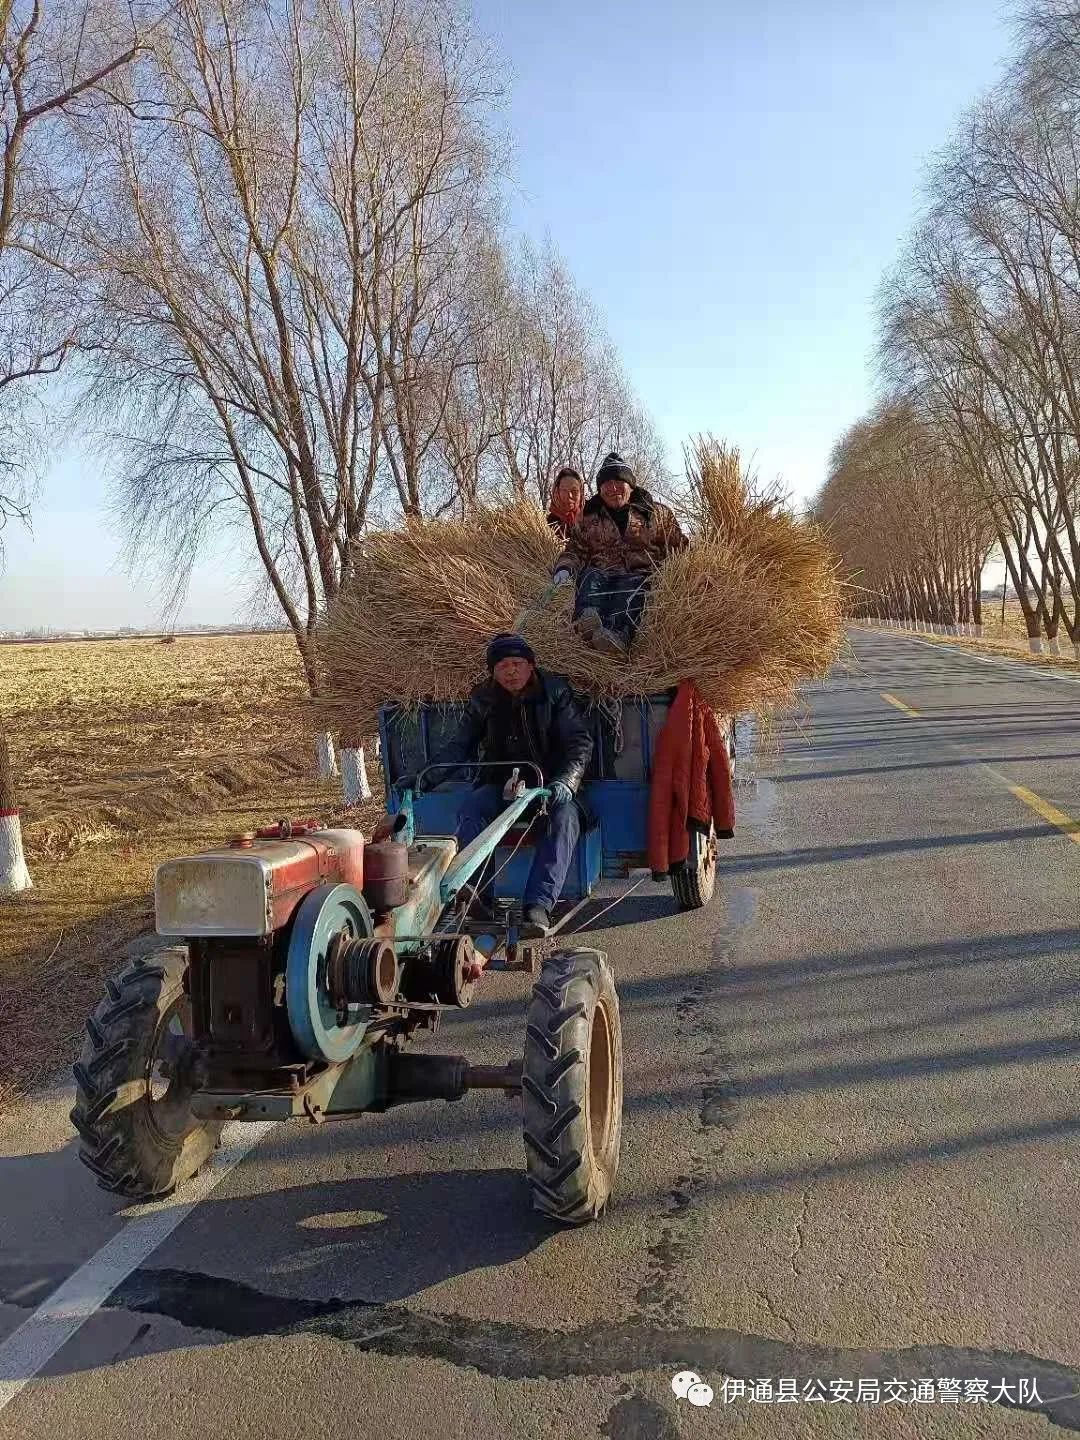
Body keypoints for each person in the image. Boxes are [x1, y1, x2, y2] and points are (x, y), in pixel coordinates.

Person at [404, 633, 593, 938]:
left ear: (531, 665)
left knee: (564, 819)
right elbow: (459, 746)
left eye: (517, 664)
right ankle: (477, 896)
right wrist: (422, 778)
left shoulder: (555, 692)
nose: (511, 672)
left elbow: (579, 741)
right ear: (493, 671)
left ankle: (539, 905)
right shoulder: (483, 699)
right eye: (503, 666)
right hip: (502, 786)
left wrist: (567, 782)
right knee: (473, 808)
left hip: (550, 787)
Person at [553, 451, 687, 657]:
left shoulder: (656, 513)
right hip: (601, 573)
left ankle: (617, 636)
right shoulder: (589, 517)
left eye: (619, 482)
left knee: (632, 591)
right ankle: (586, 623)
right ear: (600, 489)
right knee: (590, 577)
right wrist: (564, 568)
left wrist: (689, 574)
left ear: (630, 485)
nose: (613, 488)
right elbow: (574, 551)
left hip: (638, 576)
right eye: (607, 484)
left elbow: (680, 547)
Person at [546, 465, 585, 540]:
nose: (569, 495)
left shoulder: (592, 520)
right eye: (564, 490)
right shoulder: (547, 525)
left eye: (574, 491)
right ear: (557, 492)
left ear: (581, 493)